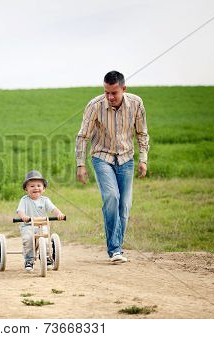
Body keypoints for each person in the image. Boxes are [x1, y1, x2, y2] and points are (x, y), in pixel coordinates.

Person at [75, 71, 149, 263]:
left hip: (126, 159)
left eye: (114, 93)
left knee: (124, 205)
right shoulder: (95, 106)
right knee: (111, 197)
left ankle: (118, 247)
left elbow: (142, 133)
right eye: (106, 92)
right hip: (102, 157)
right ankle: (115, 249)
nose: (109, 97)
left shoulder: (136, 104)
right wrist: (80, 163)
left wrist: (143, 159)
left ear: (124, 89)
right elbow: (83, 136)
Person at [16, 170, 65, 271]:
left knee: (47, 239)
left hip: (42, 225)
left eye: (39, 185)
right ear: (26, 189)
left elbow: (53, 209)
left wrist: (59, 214)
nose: (36, 188)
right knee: (28, 239)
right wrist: (24, 216)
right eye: (32, 186)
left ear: (43, 188)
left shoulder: (45, 200)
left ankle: (47, 257)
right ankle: (29, 260)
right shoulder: (24, 200)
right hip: (28, 225)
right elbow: (20, 211)